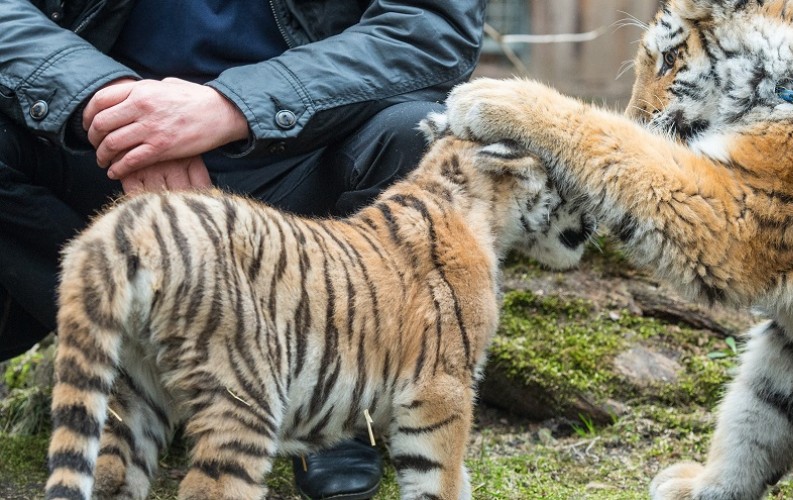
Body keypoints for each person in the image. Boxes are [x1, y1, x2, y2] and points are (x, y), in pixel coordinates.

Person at [0, 0, 486, 498]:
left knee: (416, 135)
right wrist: (111, 107)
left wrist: (233, 106)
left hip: (308, 158)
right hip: (97, 160)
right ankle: (127, 376)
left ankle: (332, 397)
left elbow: (430, 27)